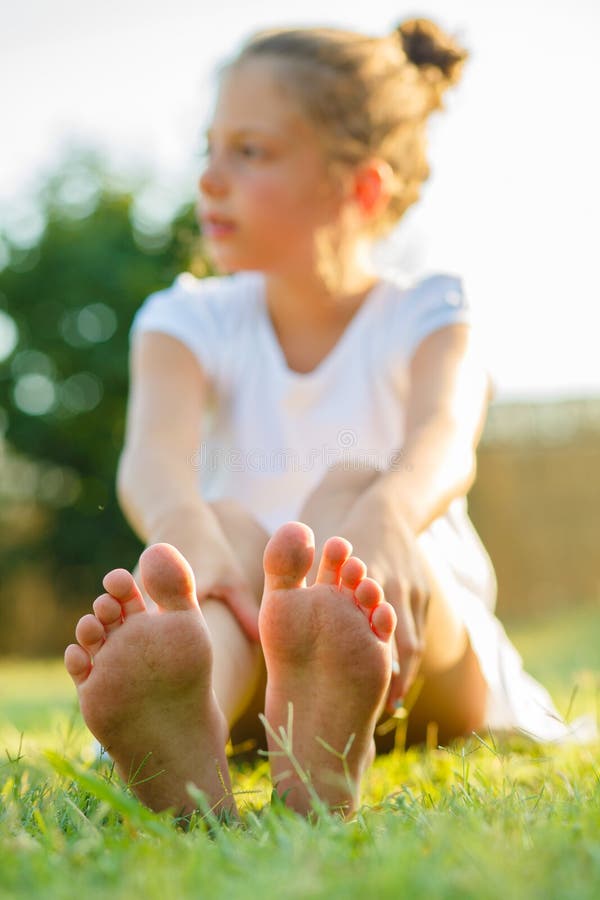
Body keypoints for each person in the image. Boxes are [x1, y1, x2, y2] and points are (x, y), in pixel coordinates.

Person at [64, 18, 575, 820]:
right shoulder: (185, 320)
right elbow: (154, 457)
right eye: (209, 148)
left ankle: (331, 693)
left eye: (251, 152)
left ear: (361, 188)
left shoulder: (427, 308)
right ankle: (188, 718)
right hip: (251, 618)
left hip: (412, 636)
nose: (209, 179)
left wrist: (386, 520)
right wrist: (185, 530)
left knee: (345, 502)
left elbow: (445, 436)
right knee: (228, 533)